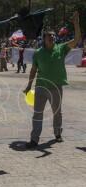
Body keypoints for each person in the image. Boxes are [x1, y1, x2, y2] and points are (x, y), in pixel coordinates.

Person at [23, 11, 81, 149]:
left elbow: (77, 39)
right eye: (49, 36)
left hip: (56, 87)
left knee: (57, 112)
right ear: (44, 38)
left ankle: (57, 133)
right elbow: (33, 70)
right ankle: (34, 139)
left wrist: (76, 24)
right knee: (37, 113)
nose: (52, 37)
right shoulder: (38, 53)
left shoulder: (61, 49)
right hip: (41, 87)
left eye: (54, 36)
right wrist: (28, 85)